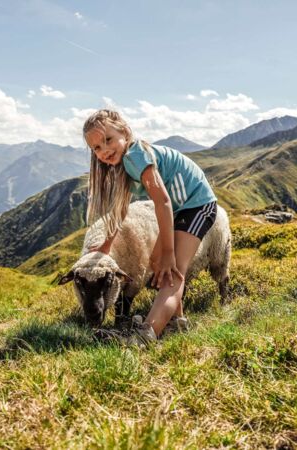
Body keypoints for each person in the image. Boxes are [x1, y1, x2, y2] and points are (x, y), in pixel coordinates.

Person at [83, 109, 217, 346]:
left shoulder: (135, 157)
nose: (104, 151)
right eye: (97, 148)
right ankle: (177, 323)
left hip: (197, 204)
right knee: (158, 266)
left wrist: (168, 252)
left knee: (173, 273)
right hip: (181, 209)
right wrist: (106, 246)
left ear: (124, 132)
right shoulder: (122, 163)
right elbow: (121, 209)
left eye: (108, 140)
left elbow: (163, 201)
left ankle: (146, 336)